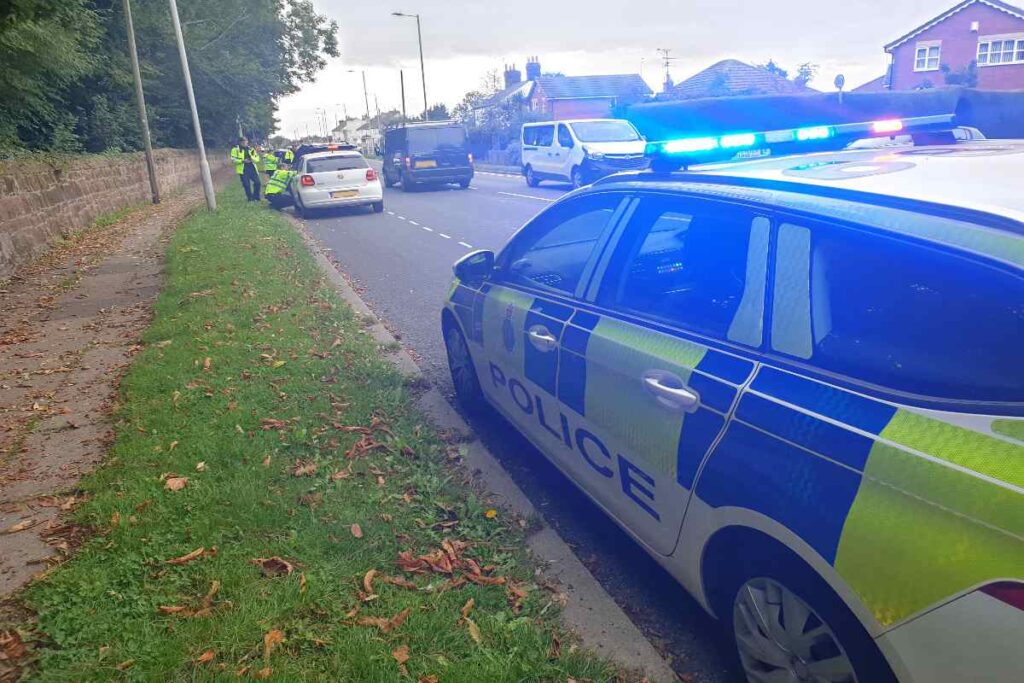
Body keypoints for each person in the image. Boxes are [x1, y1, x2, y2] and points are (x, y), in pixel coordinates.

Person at [230, 137, 262, 201]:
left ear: (247, 142)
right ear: (239, 142)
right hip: (243, 169)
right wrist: (242, 161)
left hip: (252, 168)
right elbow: (233, 159)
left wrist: (252, 158)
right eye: (242, 142)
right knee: (246, 185)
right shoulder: (235, 149)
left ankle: (256, 196)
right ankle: (250, 198)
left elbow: (257, 159)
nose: (244, 143)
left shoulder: (251, 149)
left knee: (258, 182)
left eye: (245, 141)